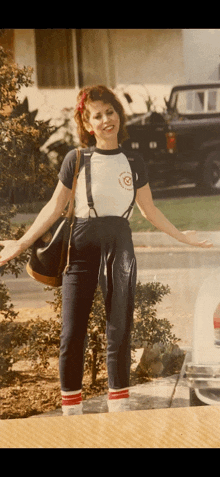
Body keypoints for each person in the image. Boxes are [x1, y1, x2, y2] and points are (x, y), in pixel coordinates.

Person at [0, 85, 213, 415]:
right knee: (73, 332)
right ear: (87, 124)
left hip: (120, 244)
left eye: (110, 112)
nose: (105, 120)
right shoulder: (77, 158)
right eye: (96, 115)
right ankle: (71, 410)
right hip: (81, 244)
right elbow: (55, 207)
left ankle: (120, 407)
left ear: (119, 115)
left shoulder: (133, 160)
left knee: (119, 328)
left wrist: (180, 236)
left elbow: (149, 210)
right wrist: (22, 242)